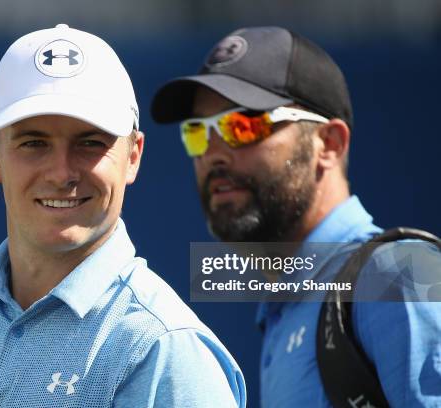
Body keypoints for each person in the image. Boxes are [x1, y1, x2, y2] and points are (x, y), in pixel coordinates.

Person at [0, 24, 246, 408]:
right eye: (34, 143)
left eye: (90, 143)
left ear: (133, 157)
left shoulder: (165, 348)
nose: (62, 173)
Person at [151, 26, 441, 407]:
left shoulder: (400, 275)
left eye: (244, 125)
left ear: (329, 145)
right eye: (197, 133)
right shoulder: (282, 308)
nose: (213, 154)